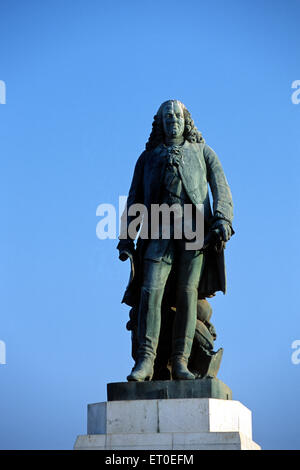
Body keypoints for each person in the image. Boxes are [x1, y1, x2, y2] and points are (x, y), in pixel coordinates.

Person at [117, 100, 234, 381]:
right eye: (167, 116)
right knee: (150, 292)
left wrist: (222, 219)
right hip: (157, 229)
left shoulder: (203, 152)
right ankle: (145, 361)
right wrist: (126, 236)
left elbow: (221, 187)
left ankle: (180, 362)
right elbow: (135, 197)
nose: (173, 120)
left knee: (186, 294)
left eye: (177, 115)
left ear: (186, 120)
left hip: (195, 232)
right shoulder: (147, 158)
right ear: (160, 122)